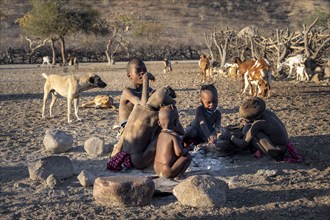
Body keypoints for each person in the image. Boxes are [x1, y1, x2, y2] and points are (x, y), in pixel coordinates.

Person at [154, 105, 193, 179]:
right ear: (176, 122)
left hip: (156, 168)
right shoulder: (173, 136)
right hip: (167, 171)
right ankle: (179, 175)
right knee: (188, 156)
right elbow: (179, 152)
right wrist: (188, 148)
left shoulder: (160, 135)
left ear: (159, 123)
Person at [118, 58, 155, 129]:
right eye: (138, 70)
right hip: (127, 126)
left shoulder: (149, 90)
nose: (142, 72)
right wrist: (146, 80)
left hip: (141, 123)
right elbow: (143, 107)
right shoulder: (128, 92)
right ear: (129, 76)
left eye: (144, 70)